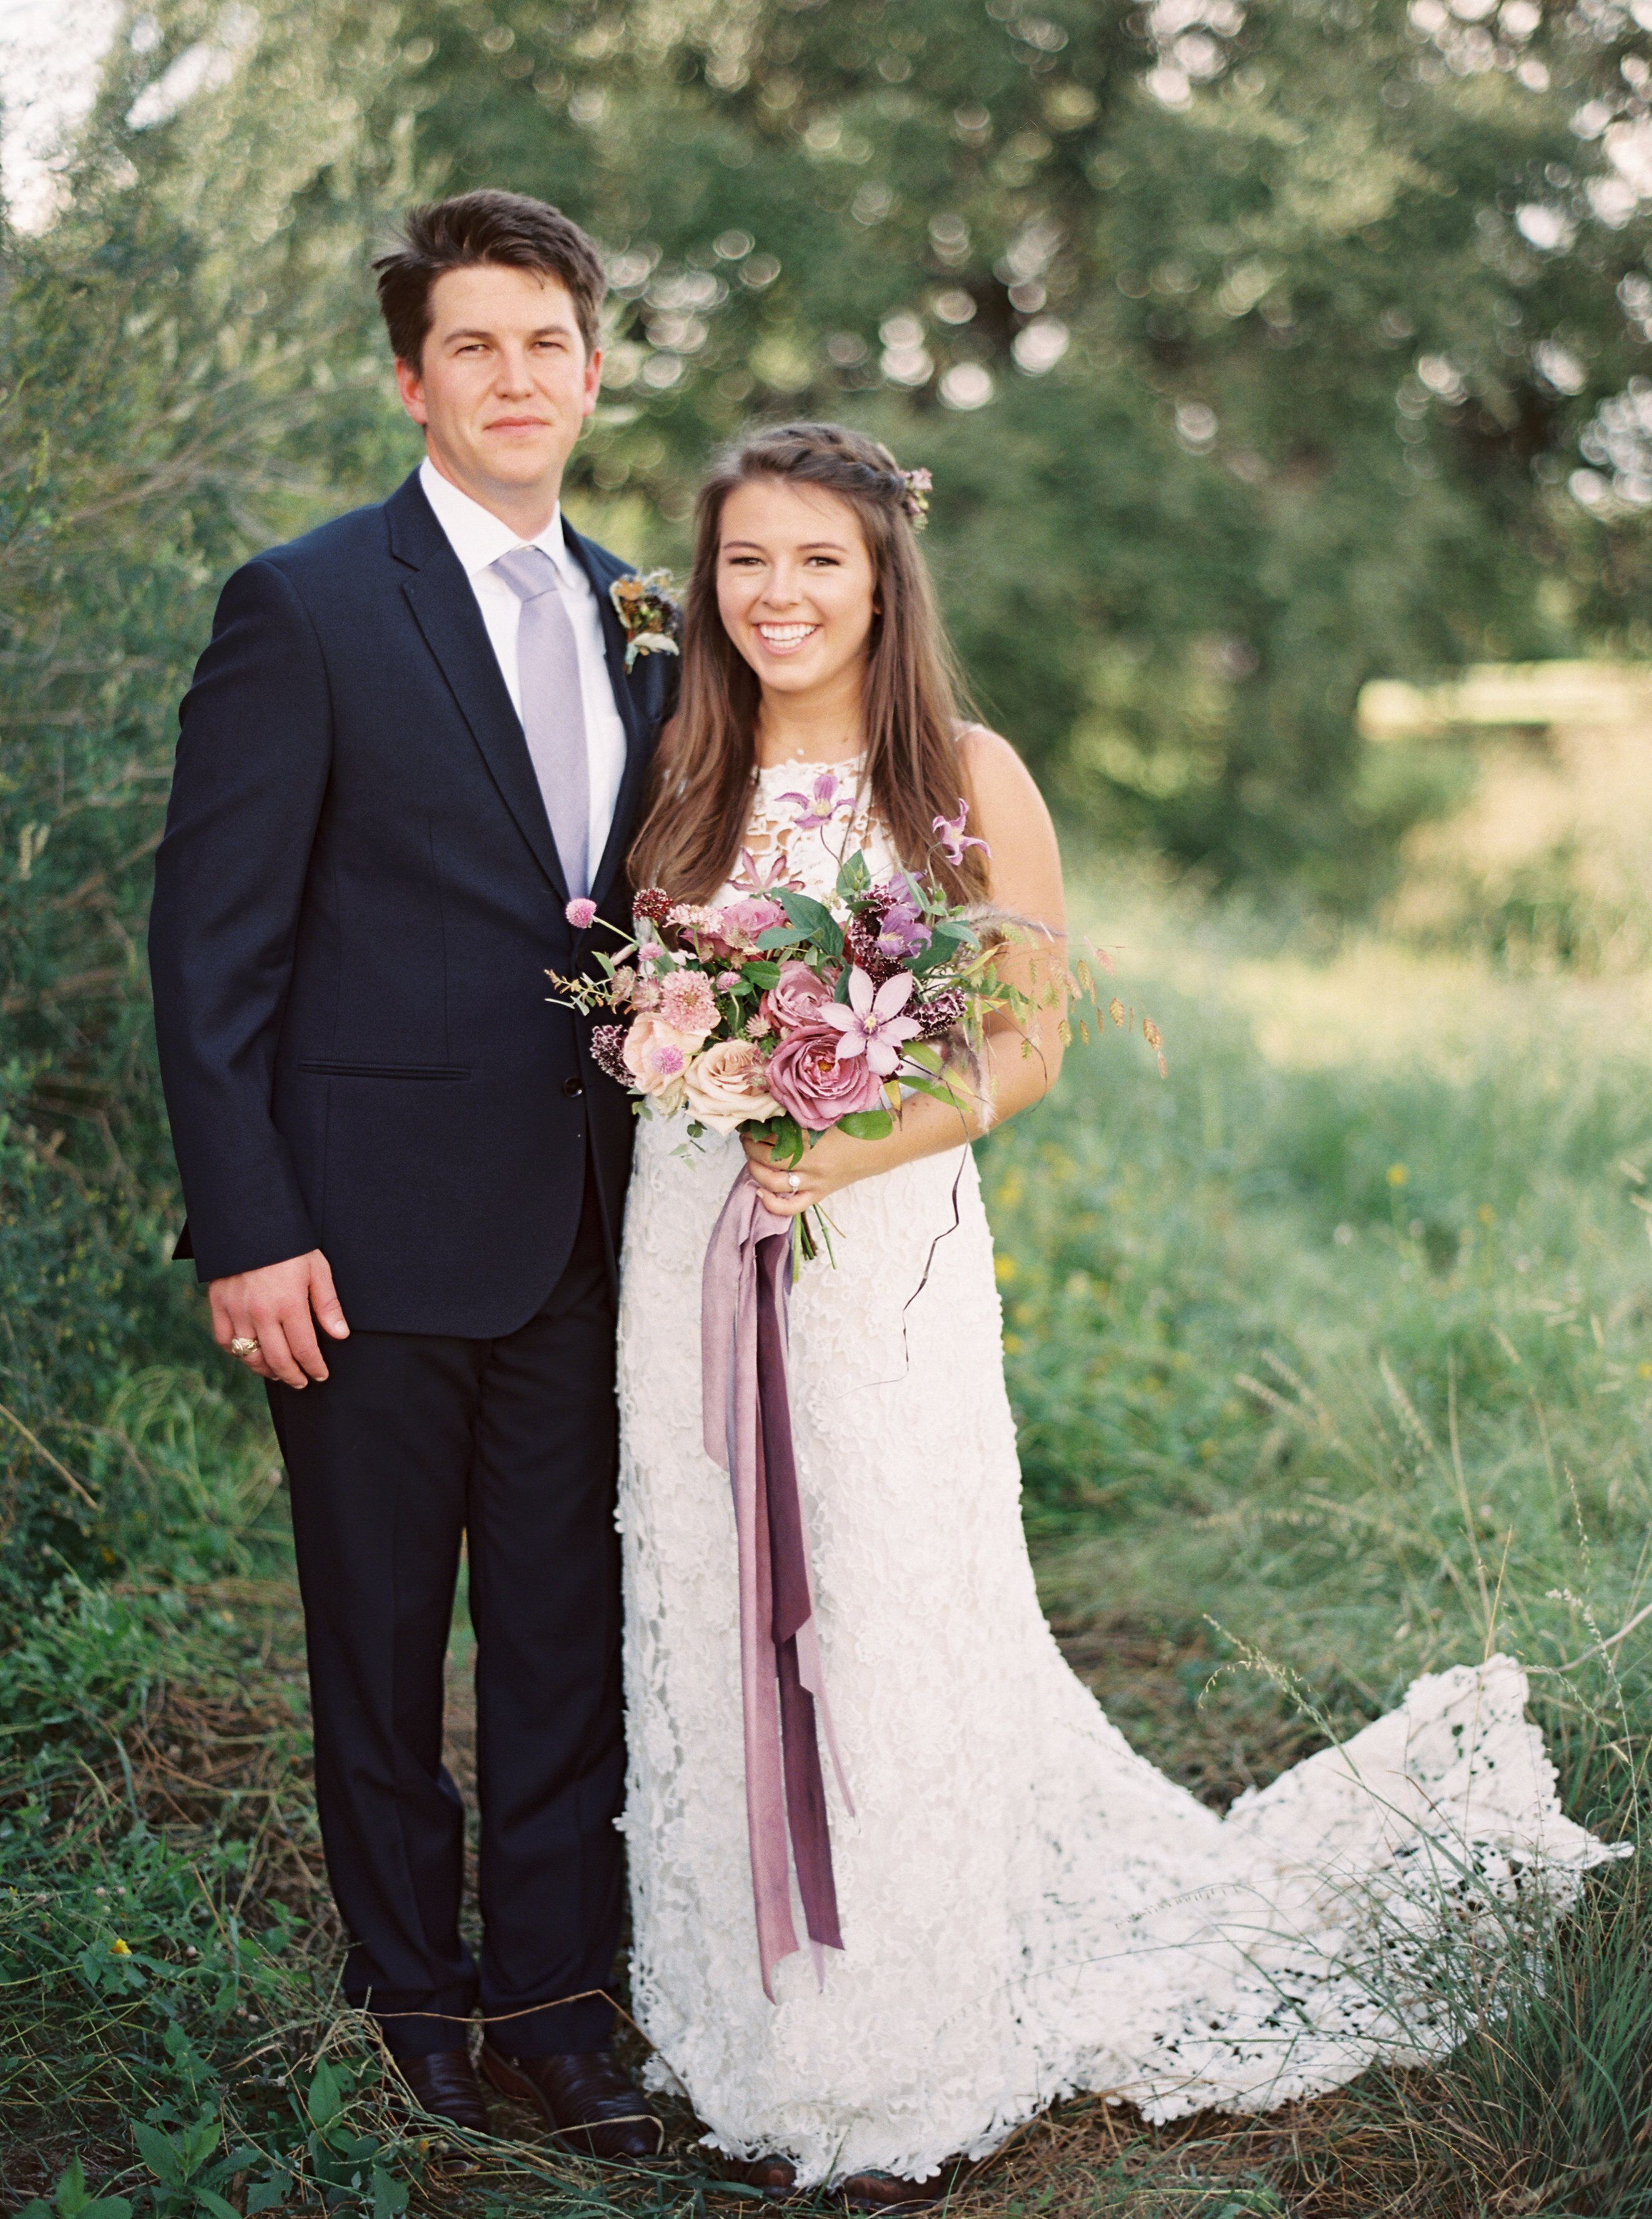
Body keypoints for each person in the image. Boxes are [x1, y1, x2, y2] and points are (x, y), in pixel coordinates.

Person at [612, 421, 1617, 2205]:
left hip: (878, 1249)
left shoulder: (966, 775)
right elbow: (641, 996)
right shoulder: (686, 753)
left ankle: (888, 2023)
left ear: (881, 578)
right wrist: (700, 1059)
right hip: (686, 1246)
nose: (777, 595)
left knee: (886, 1597)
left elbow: (1027, 1042)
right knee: (706, 1591)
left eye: (817, 561)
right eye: (747, 561)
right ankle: (733, 2000)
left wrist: (843, 1148)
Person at [148, 190, 672, 2150]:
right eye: (475, 345)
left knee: (564, 1641)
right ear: (411, 379)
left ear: (592, 371)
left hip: (585, 1228)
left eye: (547, 342)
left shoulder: (649, 615)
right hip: (355, 1239)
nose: (515, 376)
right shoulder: (305, 602)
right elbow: (213, 946)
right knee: (377, 1643)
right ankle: (411, 2001)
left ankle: (557, 2001)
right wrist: (253, 1221)